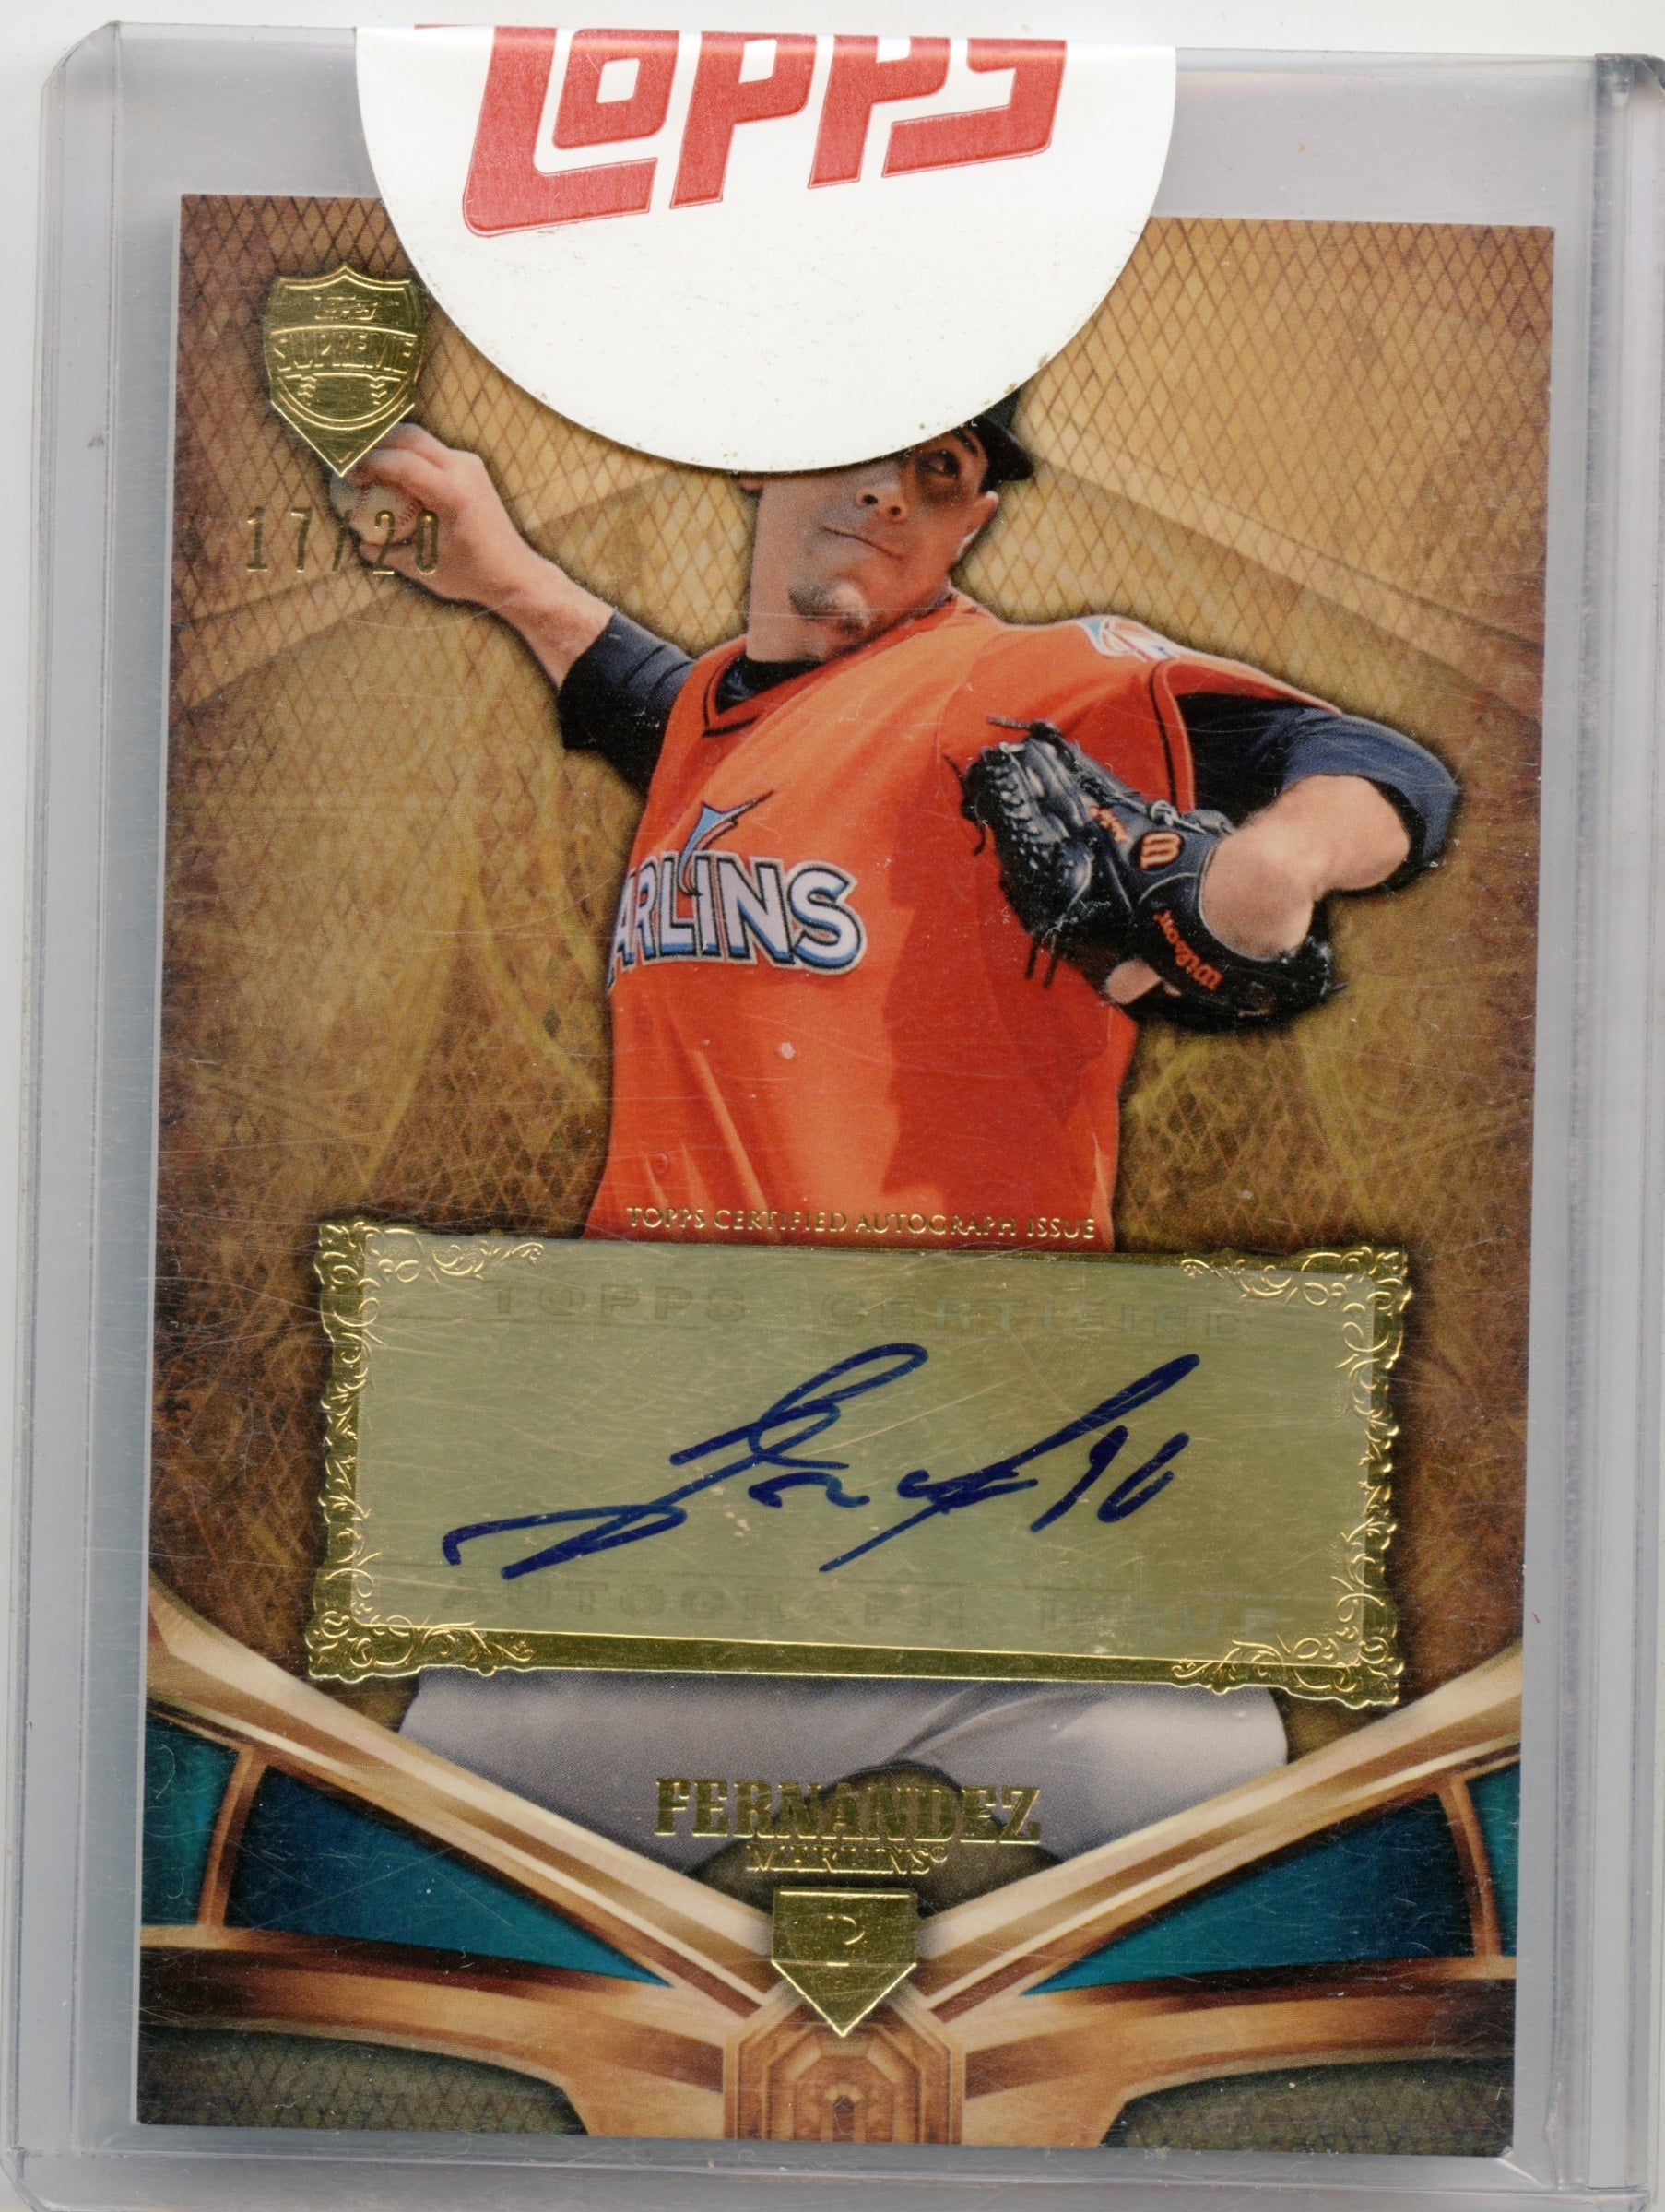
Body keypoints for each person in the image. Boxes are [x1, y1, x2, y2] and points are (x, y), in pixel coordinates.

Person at [347, 400, 1456, 1871]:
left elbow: (1371, 763)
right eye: (859, 442)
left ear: (973, 522)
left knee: (1210, 1852)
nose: (886, 493)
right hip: (666, 1515)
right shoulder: (720, 717)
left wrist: (1276, 858)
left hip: (977, 1508)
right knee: (431, 1860)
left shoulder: (1005, 684)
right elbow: (658, 702)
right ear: (759, 446)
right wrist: (508, 578)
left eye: (939, 473)